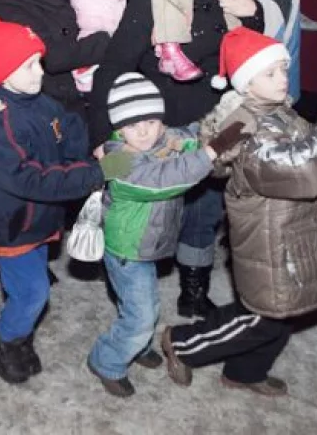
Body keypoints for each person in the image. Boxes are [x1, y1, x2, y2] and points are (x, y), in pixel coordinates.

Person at [89, 0, 263, 319]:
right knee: (146, 220)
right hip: (155, 132)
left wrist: (250, 11)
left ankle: (194, 290)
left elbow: (248, 59)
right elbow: (112, 69)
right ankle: (134, 305)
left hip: (206, 126)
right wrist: (100, 139)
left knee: (203, 213)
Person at [162, 27, 317, 396]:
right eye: (271, 73)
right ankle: (182, 342)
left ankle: (245, 372)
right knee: (265, 317)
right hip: (268, 236)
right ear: (247, 83)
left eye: (284, 69)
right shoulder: (250, 129)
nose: (283, 78)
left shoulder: (276, 111)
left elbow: (309, 144)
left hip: (290, 229)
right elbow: (303, 170)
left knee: (283, 312)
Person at [0, 11, 106, 385]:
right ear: (2, 72)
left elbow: (68, 131)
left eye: (38, 63)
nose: (39, 73)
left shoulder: (40, 102)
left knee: (29, 283)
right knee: (32, 294)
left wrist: (91, 155)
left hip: (35, 218)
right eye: (27, 67)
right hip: (10, 223)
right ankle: (6, 340)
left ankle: (17, 333)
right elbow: (31, 178)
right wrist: (91, 174)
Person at [86, 73, 219, 397]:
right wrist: (209, 154)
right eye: (133, 126)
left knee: (144, 304)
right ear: (119, 128)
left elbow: (184, 137)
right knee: (142, 312)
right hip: (126, 251)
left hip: (145, 245)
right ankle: (107, 359)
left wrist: (212, 129)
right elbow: (164, 178)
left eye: (150, 120)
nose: (143, 131)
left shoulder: (161, 138)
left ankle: (138, 343)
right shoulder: (118, 161)